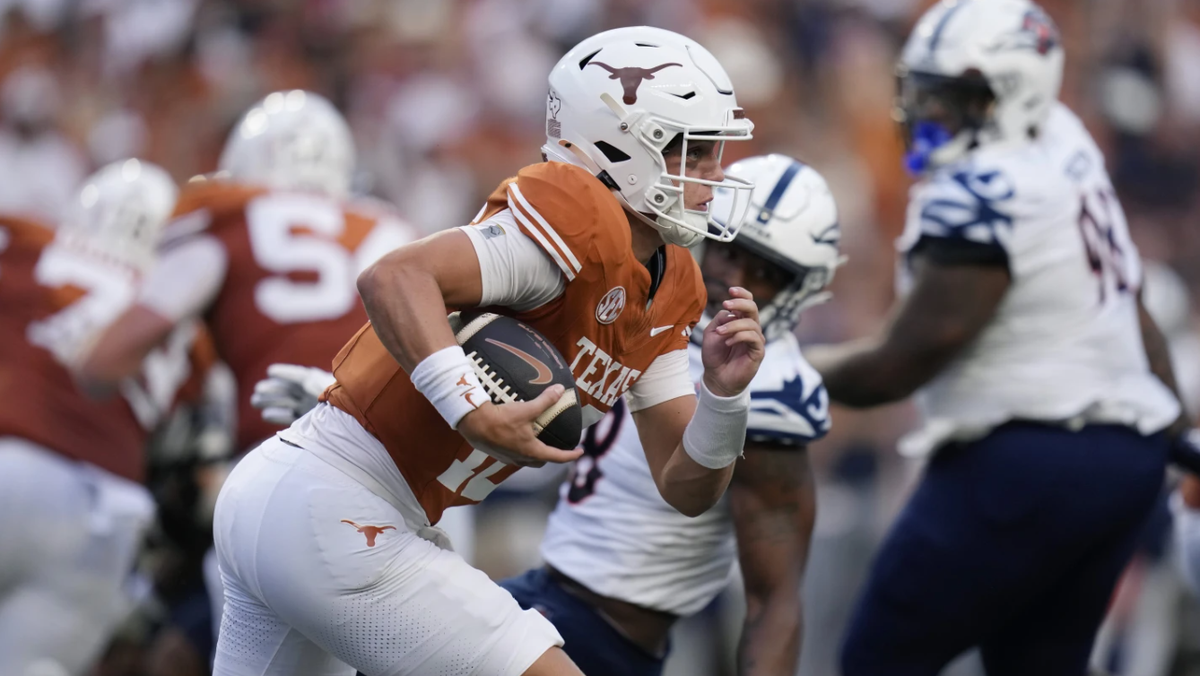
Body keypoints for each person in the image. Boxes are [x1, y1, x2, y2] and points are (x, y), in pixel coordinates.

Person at [208, 26, 765, 676]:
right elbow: (394, 277)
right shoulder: (577, 213)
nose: (712, 175)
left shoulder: (673, 286)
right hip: (340, 503)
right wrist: (468, 409)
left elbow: (685, 486)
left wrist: (724, 399)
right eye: (692, 153)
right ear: (618, 145)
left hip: (309, 502)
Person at [253, 153, 842, 676]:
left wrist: (726, 398)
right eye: (731, 252)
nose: (733, 277)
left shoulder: (763, 383)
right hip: (542, 588)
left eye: (764, 271)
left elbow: (771, 596)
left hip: (611, 631)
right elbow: (486, 344)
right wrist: (358, 407)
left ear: (802, 286)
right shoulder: (652, 306)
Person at [805, 2, 1184, 674]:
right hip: (1125, 461)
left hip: (1025, 462)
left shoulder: (987, 189)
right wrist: (1173, 430)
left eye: (956, 99)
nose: (931, 114)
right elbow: (1132, 307)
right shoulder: (1064, 140)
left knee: (879, 659)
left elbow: (901, 363)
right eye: (928, 93)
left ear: (1012, 95)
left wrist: (781, 366)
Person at [76, 90, 416, 456]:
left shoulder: (228, 216)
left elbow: (103, 363)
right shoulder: (390, 226)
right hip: (403, 454)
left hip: (284, 447)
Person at [0, 159, 192, 676]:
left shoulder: (27, 242)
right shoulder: (189, 316)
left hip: (10, 456)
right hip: (107, 510)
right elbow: (189, 455)